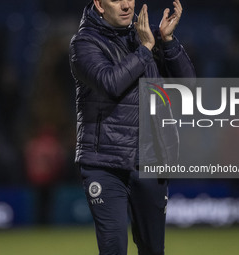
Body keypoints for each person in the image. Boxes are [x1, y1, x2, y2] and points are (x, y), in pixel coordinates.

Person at [69, 0, 195, 254]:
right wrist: (146, 48)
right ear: (99, 4)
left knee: (152, 249)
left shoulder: (146, 36)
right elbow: (111, 83)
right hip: (105, 163)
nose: (127, 5)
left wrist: (167, 41)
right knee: (113, 248)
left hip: (150, 159)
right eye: (116, 0)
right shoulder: (84, 44)